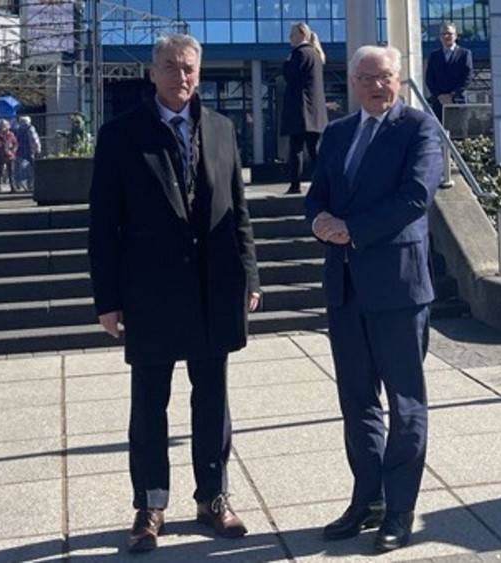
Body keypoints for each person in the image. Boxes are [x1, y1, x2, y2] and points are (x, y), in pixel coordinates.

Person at [88, 33, 261, 554]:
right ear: (151, 72)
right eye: (169, 67)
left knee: (213, 399)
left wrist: (251, 275)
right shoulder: (121, 135)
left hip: (215, 287)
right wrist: (107, 298)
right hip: (151, 291)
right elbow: (102, 225)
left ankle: (214, 497)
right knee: (149, 403)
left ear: (198, 72)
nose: (179, 76)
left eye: (187, 67)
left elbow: (239, 211)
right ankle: (150, 504)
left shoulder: (222, 129)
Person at [305, 44, 443, 553]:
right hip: (344, 288)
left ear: (399, 80)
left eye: (385, 77)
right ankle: (367, 500)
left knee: (406, 404)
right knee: (357, 401)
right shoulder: (338, 133)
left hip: (399, 289)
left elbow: (414, 197)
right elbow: (317, 193)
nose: (377, 86)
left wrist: (351, 229)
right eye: (367, 78)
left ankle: (400, 509)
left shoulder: (418, 129)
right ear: (353, 82)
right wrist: (318, 220)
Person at [280, 22, 328, 195]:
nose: (289, 37)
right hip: (313, 112)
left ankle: (295, 184)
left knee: (296, 149)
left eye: (292, 34)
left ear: (301, 34)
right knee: (314, 150)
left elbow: (289, 75)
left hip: (300, 110)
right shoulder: (315, 55)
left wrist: (286, 63)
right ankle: (321, 184)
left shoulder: (299, 54)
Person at [425, 22, 473, 117]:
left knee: (459, 132)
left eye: (449, 33)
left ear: (455, 36)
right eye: (443, 34)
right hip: (439, 104)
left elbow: (467, 77)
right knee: (439, 131)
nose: (446, 36)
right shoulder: (434, 56)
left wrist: (452, 95)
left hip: (458, 103)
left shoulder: (464, 54)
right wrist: (439, 96)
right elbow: (429, 78)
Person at [13, 116, 41, 191]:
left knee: (19, 168)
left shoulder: (18, 129)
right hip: (29, 151)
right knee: (30, 168)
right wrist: (38, 149)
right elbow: (35, 139)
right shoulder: (30, 128)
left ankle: (19, 184)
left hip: (20, 151)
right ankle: (29, 185)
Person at [0, 120, 17, 192]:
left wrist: (12, 151)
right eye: (0, 127)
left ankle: (12, 186)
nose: (2, 128)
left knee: (11, 172)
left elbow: (15, 144)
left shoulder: (11, 135)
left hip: (9, 156)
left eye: (3, 127)